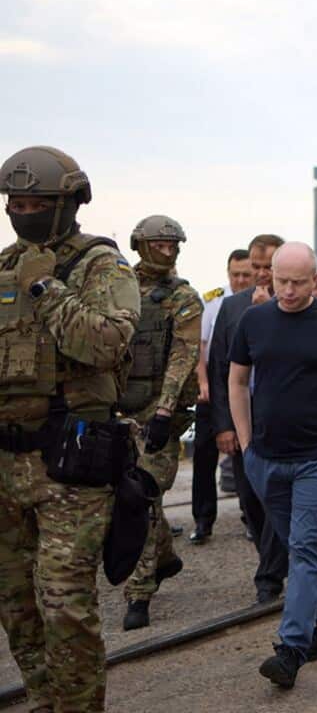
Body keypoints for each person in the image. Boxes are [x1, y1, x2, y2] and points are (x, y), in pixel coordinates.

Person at [0, 146, 141, 712]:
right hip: (5, 464)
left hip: (69, 465)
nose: (23, 210)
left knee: (64, 605)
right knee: (16, 603)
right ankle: (43, 700)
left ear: (68, 203)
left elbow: (105, 344)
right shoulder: (5, 265)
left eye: (37, 201)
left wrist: (47, 289)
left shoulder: (101, 267)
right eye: (15, 201)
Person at [230, 242, 317, 688]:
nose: (287, 291)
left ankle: (292, 647)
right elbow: (236, 379)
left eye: (297, 282)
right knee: (301, 548)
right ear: (269, 276)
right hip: (266, 459)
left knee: (305, 546)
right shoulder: (253, 320)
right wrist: (248, 444)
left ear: (316, 280)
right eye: (280, 281)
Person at [117, 215, 202, 630]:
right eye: (160, 245)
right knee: (133, 497)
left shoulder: (183, 297)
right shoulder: (116, 291)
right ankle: (164, 557)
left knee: (143, 496)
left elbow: (182, 357)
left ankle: (139, 593)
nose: (168, 252)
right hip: (118, 411)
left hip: (159, 415)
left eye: (174, 245)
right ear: (141, 245)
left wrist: (165, 410)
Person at [208, 233, 290, 603]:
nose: (259, 274)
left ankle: (269, 577)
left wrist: (268, 311)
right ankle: (271, 559)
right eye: (255, 267)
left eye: (266, 268)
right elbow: (219, 368)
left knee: (277, 498)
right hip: (242, 422)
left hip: (283, 421)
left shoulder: (296, 306)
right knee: (250, 499)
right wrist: (222, 424)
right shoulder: (231, 308)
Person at [190, 248, 252, 543]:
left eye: (246, 275)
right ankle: (203, 519)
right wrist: (202, 383)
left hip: (242, 389)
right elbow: (201, 347)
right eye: (235, 274)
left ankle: (250, 514)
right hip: (214, 387)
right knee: (203, 454)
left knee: (244, 454)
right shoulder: (214, 300)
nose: (240, 280)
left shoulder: (257, 301)